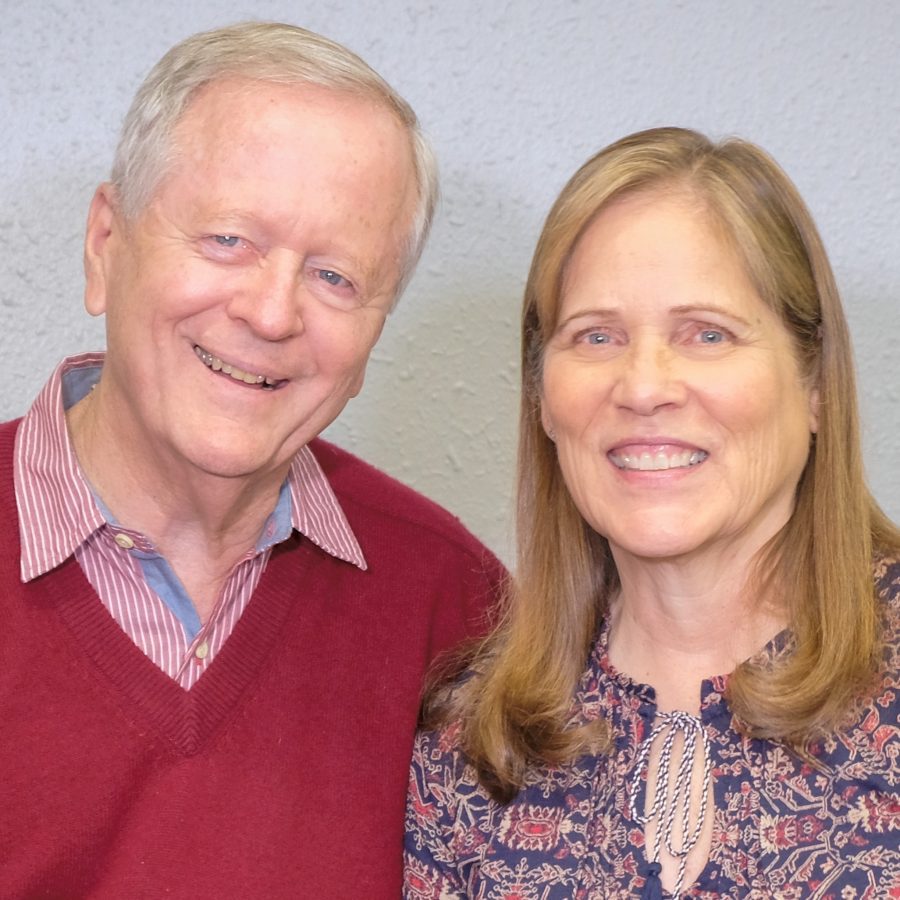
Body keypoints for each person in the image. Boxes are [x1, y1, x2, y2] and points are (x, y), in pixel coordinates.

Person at [0, 22, 504, 899]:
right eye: (229, 240)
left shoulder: (455, 607)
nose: (272, 314)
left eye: (335, 277)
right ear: (105, 243)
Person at [404, 127, 900, 898]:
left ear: (816, 384)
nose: (642, 387)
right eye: (596, 336)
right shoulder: (471, 745)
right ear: (542, 398)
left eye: (707, 334)